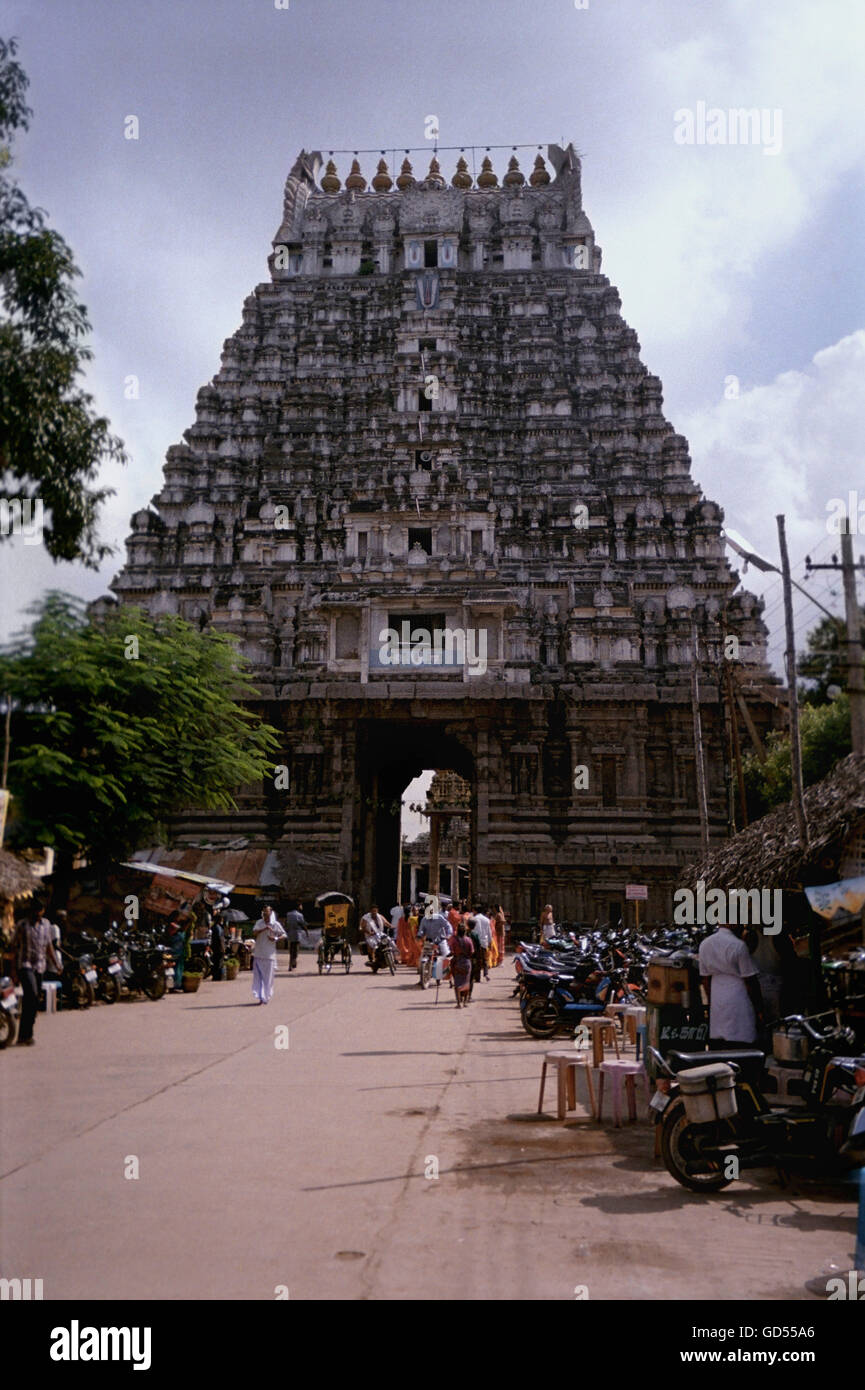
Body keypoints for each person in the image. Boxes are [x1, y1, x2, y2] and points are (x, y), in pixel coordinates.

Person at [698, 920, 764, 1047]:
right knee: (741, 1037)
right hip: (738, 996)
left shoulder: (705, 944)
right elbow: (750, 981)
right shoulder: (739, 946)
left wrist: (712, 1002)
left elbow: (705, 979)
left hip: (717, 995)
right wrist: (759, 1009)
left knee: (720, 1040)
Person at [13, 904, 61, 1045]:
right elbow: (14, 947)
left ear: (43, 911)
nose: (37, 915)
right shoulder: (22, 925)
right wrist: (13, 971)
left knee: (34, 1000)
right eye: (35, 912)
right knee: (32, 995)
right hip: (25, 965)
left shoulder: (46, 924)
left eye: (40, 912)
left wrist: (56, 963)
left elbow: (48, 946)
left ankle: (26, 1035)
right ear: (30, 911)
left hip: (40, 966)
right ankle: (24, 1034)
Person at [251, 904, 286, 1004]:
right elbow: (254, 932)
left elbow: (283, 935)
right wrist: (264, 929)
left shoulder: (275, 924)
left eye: (267, 912)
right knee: (258, 978)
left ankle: (266, 996)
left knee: (268, 979)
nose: (266, 914)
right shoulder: (259, 922)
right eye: (264, 913)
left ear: (271, 913)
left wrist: (275, 938)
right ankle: (260, 996)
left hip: (269, 955)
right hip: (258, 954)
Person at [448, 921, 474, 1008]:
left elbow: (450, 951)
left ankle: (459, 1003)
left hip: (457, 963)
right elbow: (472, 952)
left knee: (457, 983)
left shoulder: (453, 940)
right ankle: (465, 1002)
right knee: (466, 982)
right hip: (467, 963)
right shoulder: (468, 940)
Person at [283, 900, 308, 971]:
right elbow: (303, 924)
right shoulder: (299, 915)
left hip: (290, 933)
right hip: (297, 934)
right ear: (298, 906)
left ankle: (290, 964)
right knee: (296, 949)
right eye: (301, 905)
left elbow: (286, 923)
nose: (301, 907)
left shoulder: (288, 914)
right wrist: (306, 931)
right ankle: (294, 961)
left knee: (291, 949)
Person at [166, 914, 186, 992]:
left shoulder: (178, 930)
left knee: (178, 968)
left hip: (178, 952)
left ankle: (176, 985)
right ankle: (174, 986)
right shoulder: (172, 925)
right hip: (174, 952)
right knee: (176, 969)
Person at [471, 905, 492, 981]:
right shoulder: (486, 920)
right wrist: (490, 942)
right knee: (484, 958)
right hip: (484, 941)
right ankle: (486, 974)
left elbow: (474, 931)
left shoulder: (474, 919)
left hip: (476, 942)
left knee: (476, 959)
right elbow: (489, 932)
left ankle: (477, 977)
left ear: (475, 910)